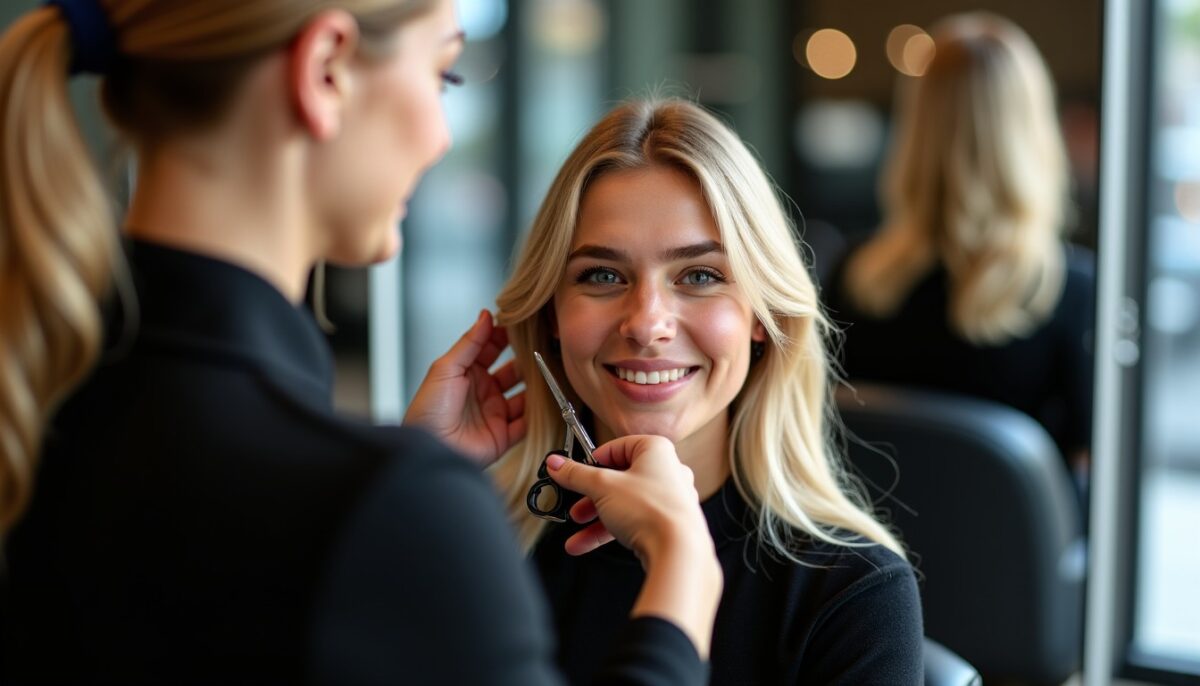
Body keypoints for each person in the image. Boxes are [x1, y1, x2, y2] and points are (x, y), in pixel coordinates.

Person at [0, 1, 723, 683]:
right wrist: (682, 576)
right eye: (442, 74)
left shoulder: (39, 406)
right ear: (326, 70)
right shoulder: (376, 505)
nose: (443, 135)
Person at [487, 98, 924, 685]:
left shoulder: (855, 596)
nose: (647, 323)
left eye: (699, 276)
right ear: (550, 319)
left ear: (761, 318)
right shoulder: (483, 555)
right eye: (602, 275)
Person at [822, 12, 1095, 491]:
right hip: (1012, 564)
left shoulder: (853, 276)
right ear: (1033, 133)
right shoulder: (1069, 292)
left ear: (918, 133)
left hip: (873, 558)